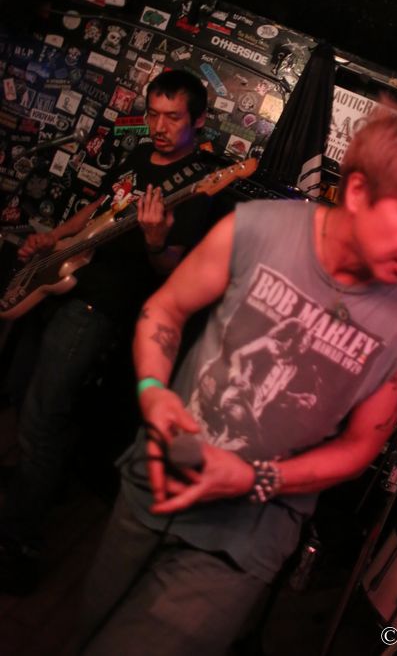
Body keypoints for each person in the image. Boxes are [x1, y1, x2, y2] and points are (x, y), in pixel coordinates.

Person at [78, 103, 397, 656]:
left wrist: (255, 478)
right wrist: (153, 394)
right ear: (359, 191)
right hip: (153, 479)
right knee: (90, 630)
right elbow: (165, 310)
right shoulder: (258, 227)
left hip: (244, 537)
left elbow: (359, 447)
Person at [0, 69, 211, 594]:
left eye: (173, 118)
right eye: (153, 114)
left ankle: (19, 544)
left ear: (199, 121)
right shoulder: (140, 156)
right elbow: (98, 211)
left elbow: (174, 272)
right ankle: (34, 487)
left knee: (42, 419)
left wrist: (156, 241)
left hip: (98, 307)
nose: (159, 127)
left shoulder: (197, 186)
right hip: (63, 282)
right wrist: (53, 239)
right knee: (24, 396)